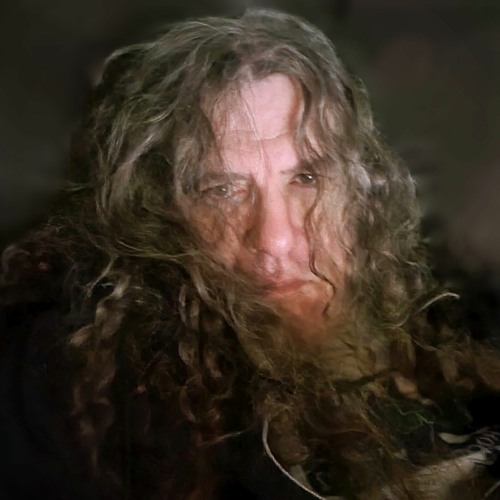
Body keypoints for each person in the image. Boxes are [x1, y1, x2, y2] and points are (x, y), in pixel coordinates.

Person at [1, 8, 500, 500]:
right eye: (222, 191)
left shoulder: (466, 321)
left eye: (307, 179)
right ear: (162, 211)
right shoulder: (94, 393)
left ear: (364, 187)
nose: (275, 240)